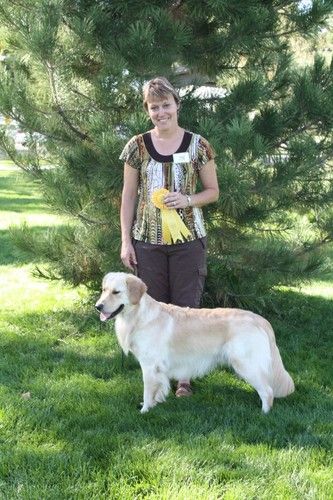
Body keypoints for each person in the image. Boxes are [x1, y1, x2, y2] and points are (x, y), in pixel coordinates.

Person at [119, 77, 219, 397]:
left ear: (177, 105)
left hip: (188, 243)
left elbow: (213, 192)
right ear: (147, 110)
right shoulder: (136, 147)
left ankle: (184, 380)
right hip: (147, 243)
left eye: (166, 105)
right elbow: (128, 196)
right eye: (154, 107)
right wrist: (126, 240)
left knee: (186, 310)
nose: (161, 112)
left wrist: (187, 200)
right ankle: (157, 374)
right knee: (153, 312)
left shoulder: (198, 145)